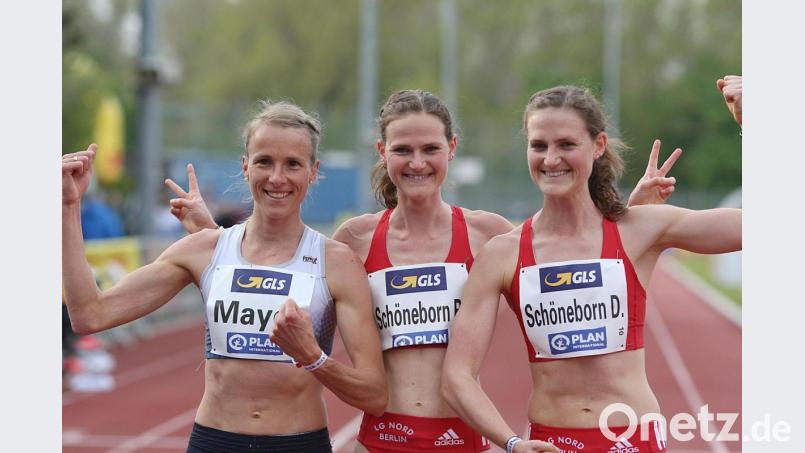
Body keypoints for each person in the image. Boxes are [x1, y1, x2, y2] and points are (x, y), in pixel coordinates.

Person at [168, 89, 679, 453]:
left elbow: (564, 257)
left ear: (451, 150)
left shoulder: (488, 234)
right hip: (381, 438)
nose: (417, 163)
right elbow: (272, 257)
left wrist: (629, 213)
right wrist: (208, 230)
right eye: (403, 150)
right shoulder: (355, 240)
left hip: (460, 440)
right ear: (382, 154)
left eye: (431, 149)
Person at [63, 101, 387, 452]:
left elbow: (373, 394)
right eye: (264, 162)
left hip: (298, 443)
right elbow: (89, 314)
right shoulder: (204, 250)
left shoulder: (336, 262)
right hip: (214, 441)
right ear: (246, 167)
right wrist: (68, 208)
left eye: (292, 164)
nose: (277, 178)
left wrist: (313, 356)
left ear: (313, 171)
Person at [441, 81, 741, 453]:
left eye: (566, 144)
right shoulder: (503, 254)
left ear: (598, 146)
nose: (551, 159)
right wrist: (513, 442)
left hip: (633, 439)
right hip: (551, 443)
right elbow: (456, 376)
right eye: (539, 146)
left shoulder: (639, 230)